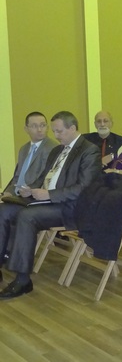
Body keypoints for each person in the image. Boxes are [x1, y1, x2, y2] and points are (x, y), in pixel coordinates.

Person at [0, 111, 101, 298]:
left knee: (26, 216)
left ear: (72, 128)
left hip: (69, 207)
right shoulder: (58, 150)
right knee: (3, 210)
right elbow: (42, 178)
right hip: (45, 200)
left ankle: (23, 280)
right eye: (54, 131)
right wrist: (30, 189)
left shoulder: (89, 150)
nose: (55, 135)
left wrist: (49, 194)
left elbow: (83, 188)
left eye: (59, 131)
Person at [2, 112, 58, 198]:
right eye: (34, 126)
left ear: (47, 127)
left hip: (33, 195)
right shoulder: (24, 149)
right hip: (17, 194)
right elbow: (17, 177)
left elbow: (44, 178)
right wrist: (9, 192)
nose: (39, 129)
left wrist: (29, 191)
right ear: (26, 129)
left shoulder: (53, 148)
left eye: (43, 125)